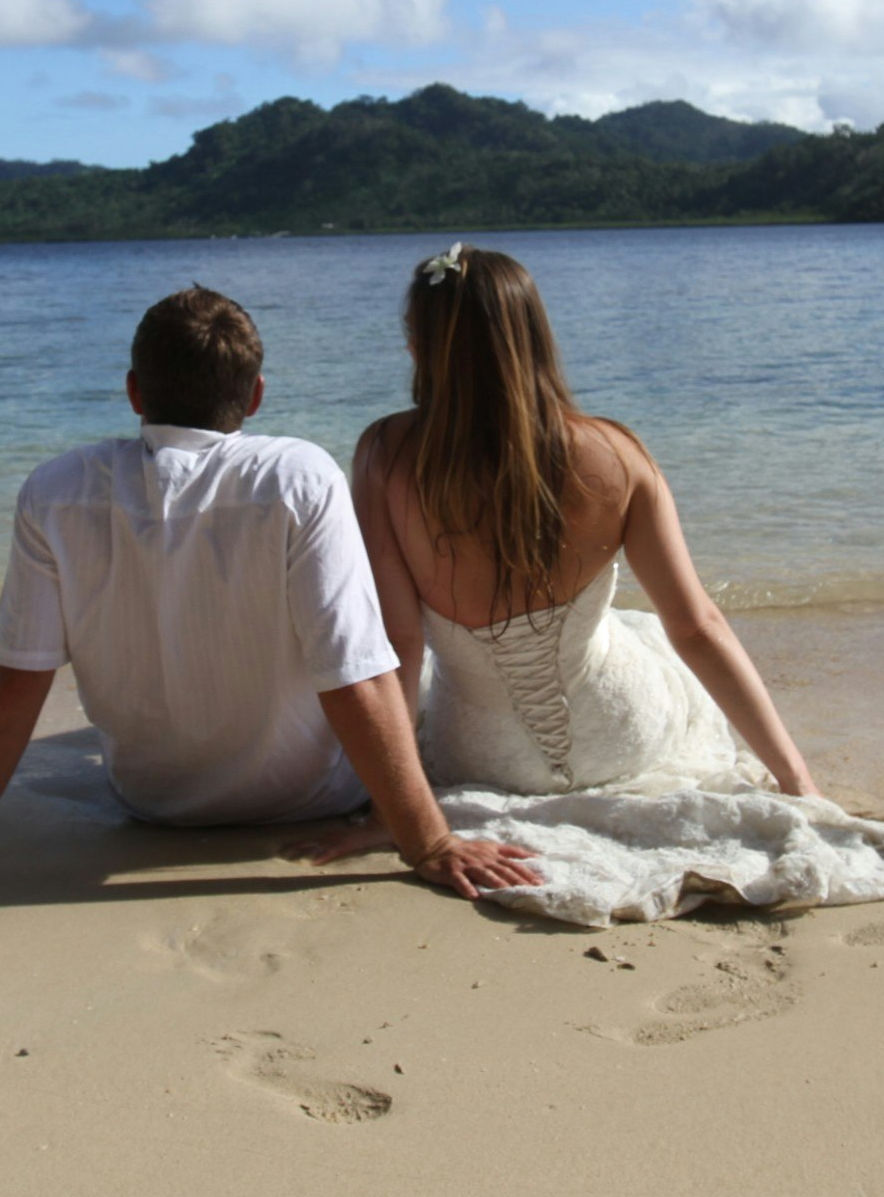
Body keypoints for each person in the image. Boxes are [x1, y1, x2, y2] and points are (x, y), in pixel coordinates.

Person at [0, 286, 539, 901]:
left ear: (135, 390)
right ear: (256, 395)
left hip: (155, 803)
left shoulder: (56, 489)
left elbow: (13, 679)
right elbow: (351, 676)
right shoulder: (296, 476)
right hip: (309, 799)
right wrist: (430, 842)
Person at [351, 244, 824, 801]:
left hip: (479, 758)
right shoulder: (618, 455)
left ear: (418, 347)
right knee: (644, 632)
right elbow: (698, 628)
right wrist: (798, 780)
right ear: (534, 337)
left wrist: (392, 807)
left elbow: (399, 640)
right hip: (624, 736)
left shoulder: (385, 456)